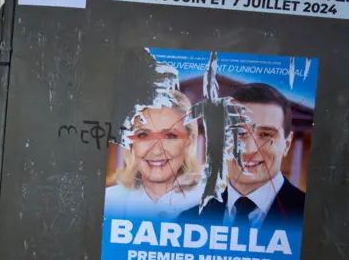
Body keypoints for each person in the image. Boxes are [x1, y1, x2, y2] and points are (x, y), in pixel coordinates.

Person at [179, 83, 305, 229]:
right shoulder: (189, 220)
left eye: (265, 135)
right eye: (237, 133)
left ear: (287, 144)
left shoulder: (309, 217)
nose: (249, 150)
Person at [104, 90, 204, 220]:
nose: (156, 151)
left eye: (170, 136)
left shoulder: (210, 205)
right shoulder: (108, 203)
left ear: (189, 141)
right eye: (143, 135)